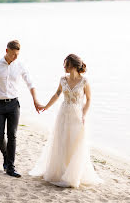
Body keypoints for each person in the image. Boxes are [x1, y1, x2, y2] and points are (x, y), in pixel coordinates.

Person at [30, 54, 103, 188]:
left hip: (77, 115)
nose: (65, 67)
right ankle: (61, 172)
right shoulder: (63, 80)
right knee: (62, 142)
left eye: (67, 65)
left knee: (75, 144)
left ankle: (73, 174)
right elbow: (57, 94)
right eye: (64, 64)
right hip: (63, 114)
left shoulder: (84, 81)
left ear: (74, 66)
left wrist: (84, 115)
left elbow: (89, 99)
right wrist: (46, 106)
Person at [0, 40, 42, 178]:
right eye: (13, 54)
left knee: (13, 135)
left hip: (13, 105)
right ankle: (6, 156)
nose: (15, 57)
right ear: (7, 51)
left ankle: (10, 166)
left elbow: (30, 83)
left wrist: (35, 100)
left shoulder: (20, 65)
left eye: (17, 54)